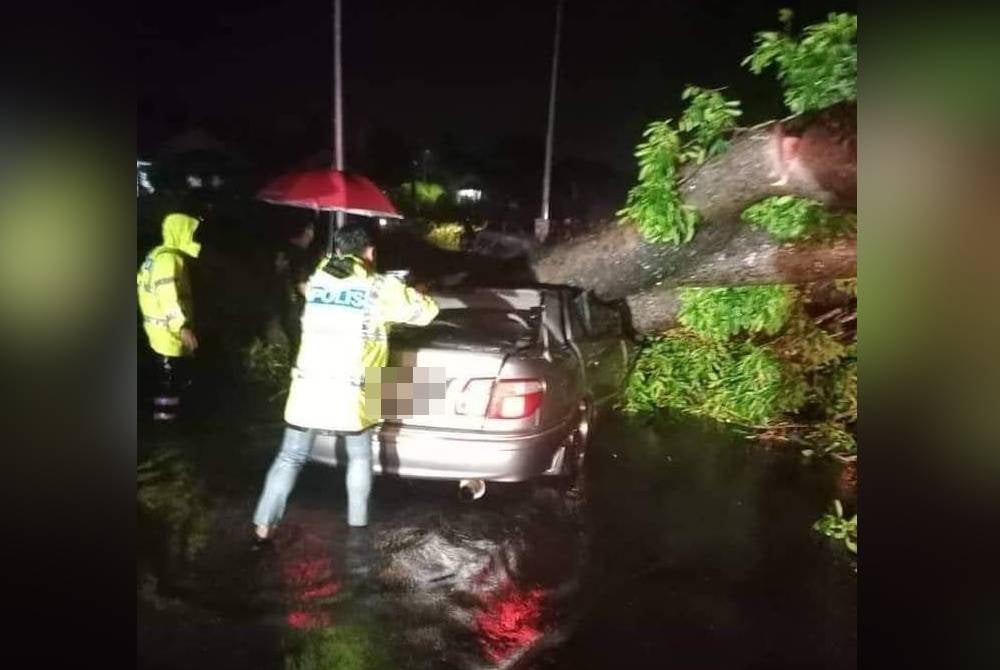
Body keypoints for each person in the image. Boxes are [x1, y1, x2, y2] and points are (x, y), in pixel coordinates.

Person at [252, 222, 439, 546]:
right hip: (355, 390)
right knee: (360, 456)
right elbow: (426, 314)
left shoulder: (318, 282)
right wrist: (418, 291)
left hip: (308, 386)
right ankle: (357, 530)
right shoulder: (380, 286)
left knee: (289, 457)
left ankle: (263, 527)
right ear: (370, 252)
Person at [137, 210, 202, 422]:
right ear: (179, 232)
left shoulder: (157, 254)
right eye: (191, 233)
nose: (194, 238)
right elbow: (168, 297)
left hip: (159, 332)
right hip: (169, 335)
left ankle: (164, 424)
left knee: (166, 382)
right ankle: (166, 429)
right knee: (170, 383)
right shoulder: (169, 259)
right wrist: (181, 327)